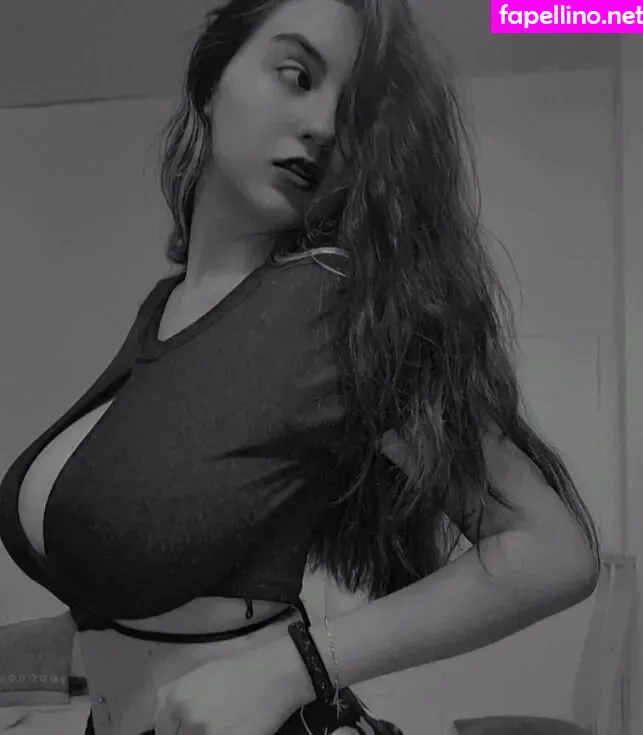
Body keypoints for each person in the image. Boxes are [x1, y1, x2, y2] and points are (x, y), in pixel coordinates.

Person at [0, 0, 601, 734]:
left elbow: (552, 550)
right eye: (297, 75)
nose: (322, 125)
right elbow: (129, 610)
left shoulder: (335, 301)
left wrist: (293, 668)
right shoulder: (166, 307)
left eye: (354, 113)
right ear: (212, 79)